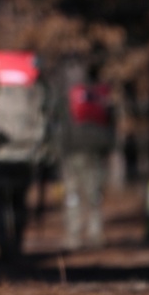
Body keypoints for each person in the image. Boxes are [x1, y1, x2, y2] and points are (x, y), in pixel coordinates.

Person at [0, 50, 51, 262]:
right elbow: (44, 121)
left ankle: (4, 244)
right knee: (19, 200)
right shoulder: (34, 89)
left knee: (0, 202)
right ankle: (17, 244)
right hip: (26, 152)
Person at [52, 60, 115, 250]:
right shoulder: (101, 94)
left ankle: (74, 236)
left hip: (72, 152)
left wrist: (57, 150)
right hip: (94, 151)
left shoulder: (66, 95)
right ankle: (95, 234)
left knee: (72, 195)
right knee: (94, 194)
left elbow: (58, 125)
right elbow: (110, 123)